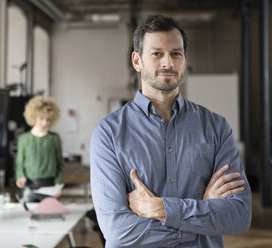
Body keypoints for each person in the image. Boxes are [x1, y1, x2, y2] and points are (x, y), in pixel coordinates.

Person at [90, 15, 251, 247]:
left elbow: (239, 215)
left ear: (184, 60)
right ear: (137, 61)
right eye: (157, 54)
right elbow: (117, 231)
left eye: (176, 53)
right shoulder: (108, 133)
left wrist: (161, 209)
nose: (168, 63)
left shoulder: (216, 127)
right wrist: (200, 213)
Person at [16, 96, 64, 202]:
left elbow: (60, 164)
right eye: (41, 118)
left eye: (48, 120)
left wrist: (58, 184)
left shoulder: (54, 138)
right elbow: (20, 164)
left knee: (50, 216)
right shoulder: (24, 139)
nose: (44, 123)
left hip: (50, 187)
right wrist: (20, 177)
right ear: (33, 116)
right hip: (30, 187)